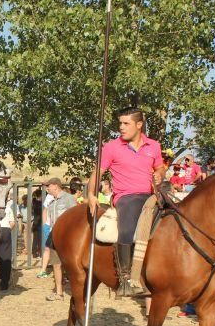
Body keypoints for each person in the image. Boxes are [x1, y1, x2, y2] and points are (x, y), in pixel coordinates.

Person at [86, 107, 164, 297]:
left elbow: (160, 166)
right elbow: (98, 172)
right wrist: (90, 193)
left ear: (139, 125)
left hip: (152, 195)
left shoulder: (153, 145)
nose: (121, 127)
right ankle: (125, 278)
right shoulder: (112, 147)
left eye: (126, 123)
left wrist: (160, 174)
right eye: (120, 123)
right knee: (127, 229)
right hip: (126, 197)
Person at [44, 178, 77, 301]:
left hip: (68, 237)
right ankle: (59, 293)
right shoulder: (52, 203)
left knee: (72, 265)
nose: (47, 188)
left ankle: (77, 292)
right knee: (56, 264)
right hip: (54, 236)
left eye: (49, 186)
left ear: (56, 186)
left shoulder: (68, 199)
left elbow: (76, 216)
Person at [0, 196, 16, 290]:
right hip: (5, 229)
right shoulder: (8, 207)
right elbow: (13, 223)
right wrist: (7, 231)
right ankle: (4, 282)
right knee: (5, 256)